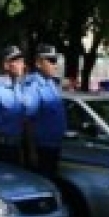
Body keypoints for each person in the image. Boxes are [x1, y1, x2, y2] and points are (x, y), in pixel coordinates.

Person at [0, 46, 32, 166]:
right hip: (0, 148)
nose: (22, 65)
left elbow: (25, 121)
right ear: (6, 65)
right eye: (17, 61)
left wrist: (29, 151)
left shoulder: (22, 87)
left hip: (17, 148)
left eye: (22, 61)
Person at [25, 44, 66, 177]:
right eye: (51, 61)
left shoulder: (51, 84)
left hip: (54, 147)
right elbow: (28, 121)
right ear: (38, 63)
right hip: (40, 148)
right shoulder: (33, 86)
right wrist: (32, 151)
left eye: (56, 61)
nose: (55, 65)